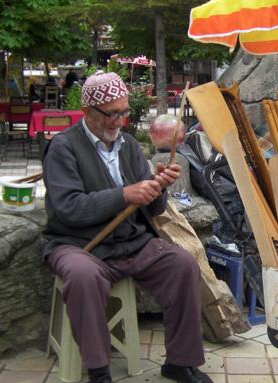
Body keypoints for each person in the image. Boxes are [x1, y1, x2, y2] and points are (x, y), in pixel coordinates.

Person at [42, 72, 211, 383]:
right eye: (112, 114)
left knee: (183, 265)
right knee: (82, 276)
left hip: (131, 243)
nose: (119, 122)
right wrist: (124, 194)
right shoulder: (64, 147)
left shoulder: (130, 146)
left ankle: (180, 361)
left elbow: (154, 211)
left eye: (124, 113)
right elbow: (68, 209)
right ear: (89, 112)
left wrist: (157, 188)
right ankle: (98, 370)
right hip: (79, 245)